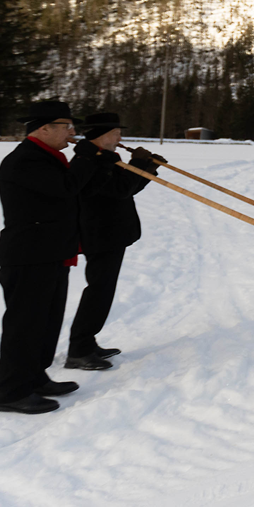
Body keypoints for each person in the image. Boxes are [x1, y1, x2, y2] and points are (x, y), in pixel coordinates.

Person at [0, 100, 111, 414]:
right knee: (25, 325)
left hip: (51, 254)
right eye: (67, 127)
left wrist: (100, 160)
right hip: (28, 257)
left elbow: (79, 188)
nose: (72, 133)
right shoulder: (25, 160)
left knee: (46, 324)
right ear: (44, 129)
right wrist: (87, 154)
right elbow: (66, 187)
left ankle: (34, 377)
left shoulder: (49, 157)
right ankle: (13, 392)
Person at [66, 113, 162, 370]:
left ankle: (86, 342)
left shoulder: (107, 158)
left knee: (103, 290)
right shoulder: (89, 161)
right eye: (116, 133)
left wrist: (148, 169)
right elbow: (120, 189)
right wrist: (140, 165)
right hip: (100, 234)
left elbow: (127, 188)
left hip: (112, 233)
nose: (120, 138)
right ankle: (79, 349)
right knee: (98, 290)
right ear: (102, 135)